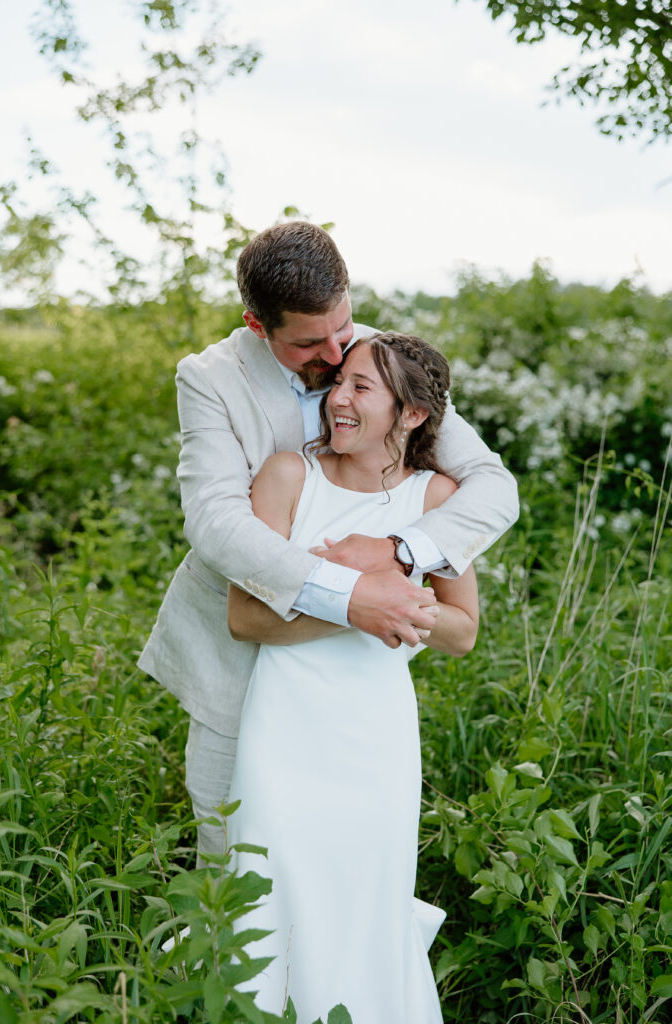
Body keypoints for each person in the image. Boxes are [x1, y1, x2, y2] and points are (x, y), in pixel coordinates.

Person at [138, 221, 518, 860]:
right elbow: (215, 523)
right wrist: (347, 596)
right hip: (241, 648)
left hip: (350, 683)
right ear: (259, 327)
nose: (339, 355)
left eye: (344, 328)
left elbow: (492, 485)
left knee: (343, 851)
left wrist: (400, 552)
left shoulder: (378, 360)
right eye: (311, 343)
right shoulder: (210, 379)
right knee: (231, 849)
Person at [226, 332, 478, 1023]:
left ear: (413, 415)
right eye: (337, 382)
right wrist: (361, 603)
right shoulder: (286, 477)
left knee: (365, 892)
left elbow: (460, 631)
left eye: (360, 388)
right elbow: (246, 617)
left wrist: (395, 593)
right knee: (270, 888)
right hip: (282, 725)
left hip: (375, 734)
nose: (335, 398)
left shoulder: (437, 497)